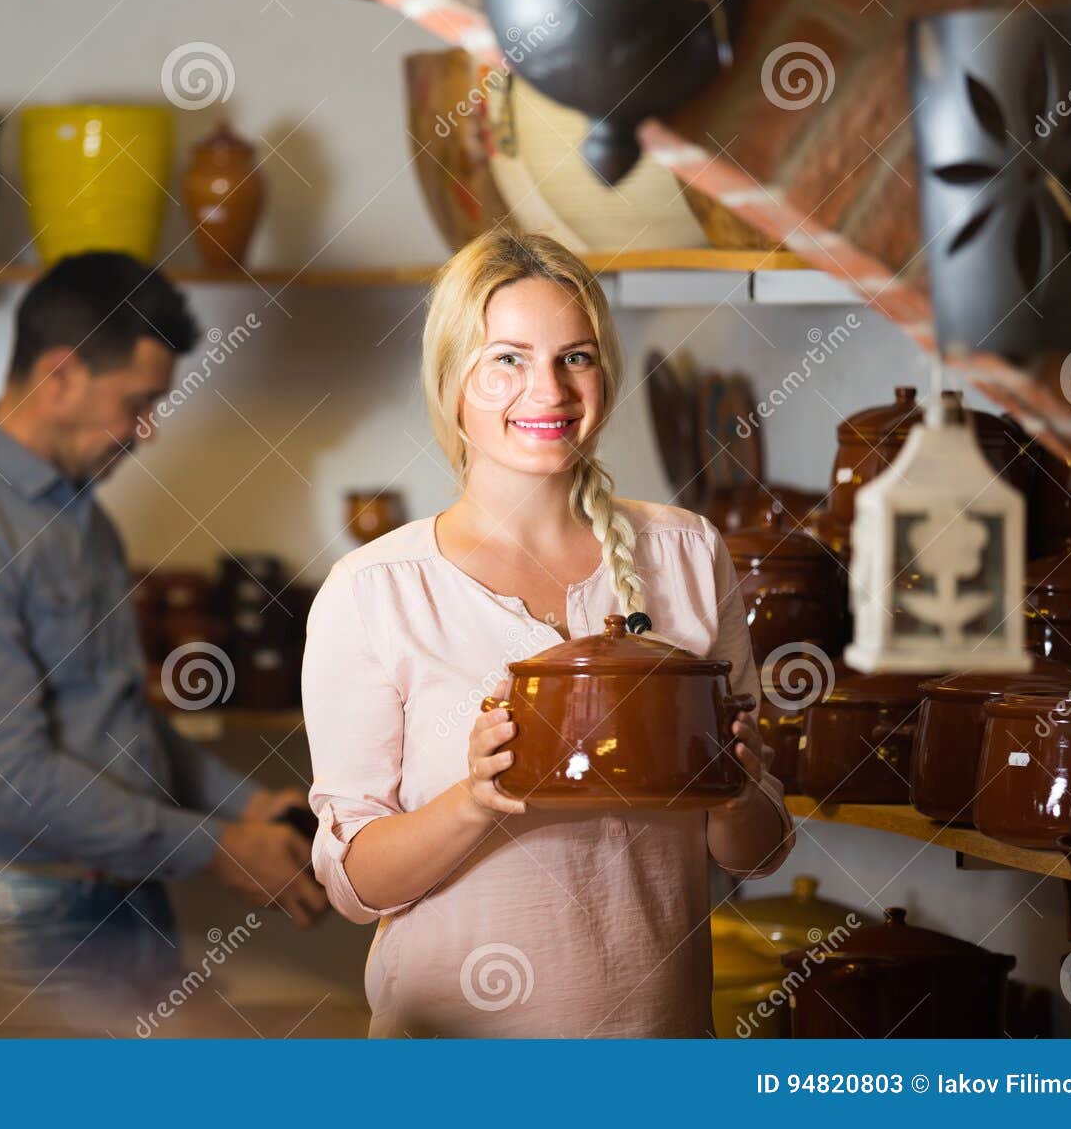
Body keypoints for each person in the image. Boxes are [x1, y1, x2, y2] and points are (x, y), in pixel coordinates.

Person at [300, 230, 794, 1038]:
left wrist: (736, 789)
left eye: (577, 357)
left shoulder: (687, 553)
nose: (551, 391)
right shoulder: (376, 590)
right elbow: (355, 884)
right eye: (508, 359)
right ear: (452, 380)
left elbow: (759, 848)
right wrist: (476, 802)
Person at [0, 252, 326, 1018]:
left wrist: (249, 808)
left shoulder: (81, 517)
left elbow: (119, 718)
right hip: (25, 923)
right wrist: (219, 846)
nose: (146, 432)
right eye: (138, 403)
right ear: (59, 378)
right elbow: (15, 781)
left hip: (127, 899)